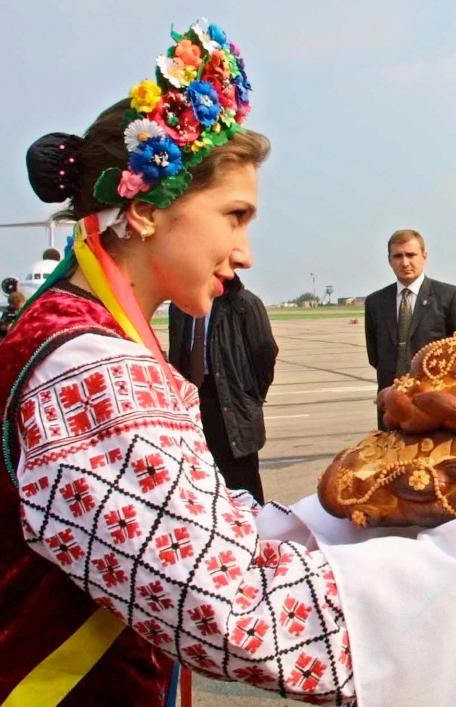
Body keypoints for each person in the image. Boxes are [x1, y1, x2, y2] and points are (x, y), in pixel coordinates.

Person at [0, 19, 357, 703]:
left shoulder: (77, 333)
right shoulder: (93, 371)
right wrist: (433, 594)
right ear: (145, 212)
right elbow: (233, 612)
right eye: (234, 215)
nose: (247, 251)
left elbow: (195, 527)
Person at [168, 275, 278, 503]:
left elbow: (265, 354)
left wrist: (249, 395)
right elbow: (176, 355)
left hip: (233, 402)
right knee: (202, 480)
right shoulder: (180, 307)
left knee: (242, 483)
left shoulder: (243, 303)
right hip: (195, 401)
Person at [364, 229, 456, 428]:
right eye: (398, 256)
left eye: (411, 255)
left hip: (436, 408)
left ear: (424, 256)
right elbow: (375, 356)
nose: (405, 262)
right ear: (389, 260)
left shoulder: (450, 297)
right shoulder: (376, 302)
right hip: (392, 406)